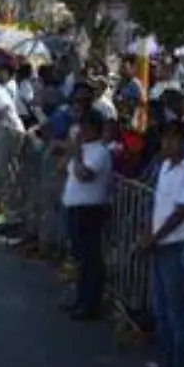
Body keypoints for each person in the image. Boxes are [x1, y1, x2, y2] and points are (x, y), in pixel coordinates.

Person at [140, 119, 184, 367]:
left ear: (183, 141)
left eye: (172, 139)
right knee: (161, 311)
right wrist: (149, 233)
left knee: (178, 315)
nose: (167, 145)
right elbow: (159, 205)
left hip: (177, 245)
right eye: (165, 139)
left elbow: (181, 211)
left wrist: (155, 236)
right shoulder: (164, 167)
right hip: (160, 243)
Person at [62, 110, 115, 320]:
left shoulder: (99, 152)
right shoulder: (83, 149)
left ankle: (92, 304)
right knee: (80, 258)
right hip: (75, 208)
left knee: (90, 258)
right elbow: (65, 168)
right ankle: (81, 298)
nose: (81, 131)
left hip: (90, 210)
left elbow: (84, 175)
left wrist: (76, 153)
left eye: (85, 127)